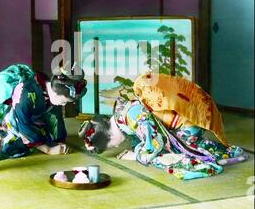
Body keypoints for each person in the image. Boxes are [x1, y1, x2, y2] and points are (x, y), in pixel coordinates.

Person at [79, 72, 248, 180]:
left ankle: (215, 156)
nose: (116, 145)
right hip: (184, 120)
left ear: (109, 136)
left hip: (187, 127)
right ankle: (219, 152)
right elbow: (143, 135)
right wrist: (137, 147)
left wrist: (137, 155)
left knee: (165, 156)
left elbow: (156, 143)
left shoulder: (132, 116)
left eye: (111, 145)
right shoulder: (122, 113)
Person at [0, 63, 87, 159]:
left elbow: (56, 117)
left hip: (26, 118)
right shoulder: (26, 92)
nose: (64, 104)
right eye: (64, 100)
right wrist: (48, 149)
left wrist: (60, 141)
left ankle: (38, 140)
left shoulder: (52, 94)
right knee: (3, 147)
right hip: (9, 120)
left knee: (48, 131)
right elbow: (21, 122)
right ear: (57, 90)